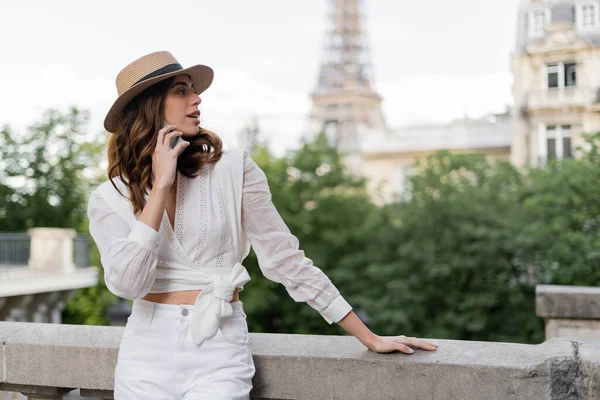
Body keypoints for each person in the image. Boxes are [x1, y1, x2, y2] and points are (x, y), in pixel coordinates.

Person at [87, 51, 438, 400]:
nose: (197, 98)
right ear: (149, 106)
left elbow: (286, 260)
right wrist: (161, 186)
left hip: (219, 348)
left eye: (194, 89)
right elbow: (129, 283)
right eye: (181, 91)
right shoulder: (107, 198)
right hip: (146, 354)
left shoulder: (234, 169)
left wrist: (368, 336)